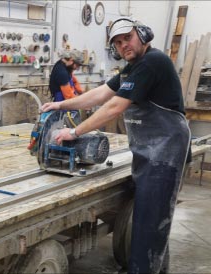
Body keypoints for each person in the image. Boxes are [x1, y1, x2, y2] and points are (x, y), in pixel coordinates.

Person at [41, 17, 190, 274]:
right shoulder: (132, 68)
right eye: (118, 43)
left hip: (165, 153)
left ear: (142, 35)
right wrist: (61, 105)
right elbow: (101, 94)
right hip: (150, 152)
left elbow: (114, 106)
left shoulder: (152, 62)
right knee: (148, 221)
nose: (124, 46)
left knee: (150, 225)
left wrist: (74, 131)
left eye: (127, 38)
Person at [49, 49, 85, 124]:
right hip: (63, 104)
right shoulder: (61, 72)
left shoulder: (67, 66)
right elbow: (68, 97)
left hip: (70, 102)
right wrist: (83, 102)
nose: (77, 68)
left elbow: (73, 79)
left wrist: (80, 91)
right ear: (71, 60)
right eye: (77, 65)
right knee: (66, 126)